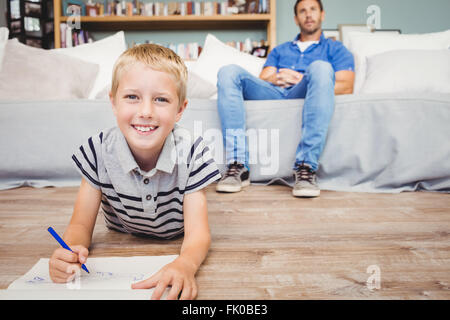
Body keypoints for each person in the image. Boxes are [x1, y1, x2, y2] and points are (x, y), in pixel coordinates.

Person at [48, 44, 221, 300]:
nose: (146, 112)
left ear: (180, 110)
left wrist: (186, 264)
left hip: (176, 235)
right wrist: (71, 251)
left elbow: (198, 235)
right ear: (113, 102)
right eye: (132, 97)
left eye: (161, 99)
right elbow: (80, 224)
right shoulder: (98, 151)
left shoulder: (194, 153)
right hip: (122, 233)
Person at [215, 0, 355, 197]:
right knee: (228, 71)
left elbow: (346, 86)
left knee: (321, 68)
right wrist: (278, 77)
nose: (308, 15)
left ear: (322, 15)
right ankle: (238, 166)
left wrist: (300, 79)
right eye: (302, 11)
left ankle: (306, 168)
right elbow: (264, 78)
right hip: (275, 92)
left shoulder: (336, 49)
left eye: (313, 10)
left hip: (306, 90)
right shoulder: (280, 50)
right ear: (296, 18)